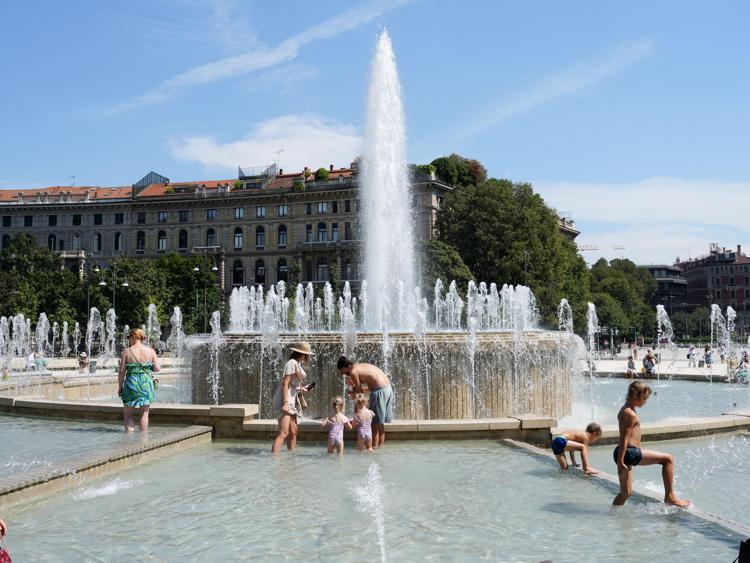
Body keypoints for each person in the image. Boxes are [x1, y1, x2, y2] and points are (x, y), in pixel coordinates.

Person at [612, 381, 691, 507]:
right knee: (668, 459)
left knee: (626, 493)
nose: (645, 402)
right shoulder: (630, 414)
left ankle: (613, 514)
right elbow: (624, 438)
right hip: (629, 452)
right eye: (644, 398)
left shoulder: (625, 409)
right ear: (634, 396)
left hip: (624, 452)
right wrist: (621, 462)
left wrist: (621, 460)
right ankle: (670, 497)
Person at [337, 356, 393, 449]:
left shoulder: (353, 372)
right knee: (380, 423)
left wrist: (359, 411)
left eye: (342, 370)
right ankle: (381, 447)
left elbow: (360, 394)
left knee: (374, 424)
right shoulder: (360, 366)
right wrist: (355, 390)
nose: (342, 373)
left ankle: (374, 449)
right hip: (387, 389)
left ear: (345, 367)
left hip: (379, 391)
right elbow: (370, 389)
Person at [271, 341, 314, 454]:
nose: (308, 357)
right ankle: (274, 460)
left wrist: (303, 388)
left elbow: (292, 385)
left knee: (293, 431)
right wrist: (285, 403)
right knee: (283, 433)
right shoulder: (291, 363)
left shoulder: (296, 363)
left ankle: (291, 457)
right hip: (285, 400)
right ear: (303, 354)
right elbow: (285, 383)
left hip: (291, 398)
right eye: (307, 354)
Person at [117, 327, 160, 432]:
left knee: (128, 415)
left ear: (133, 336)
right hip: (146, 382)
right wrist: (147, 367)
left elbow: (122, 371)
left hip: (131, 382)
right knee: (144, 414)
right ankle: (143, 440)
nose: (128, 340)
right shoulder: (150, 351)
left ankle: (129, 440)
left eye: (129, 337)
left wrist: (120, 387)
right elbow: (157, 368)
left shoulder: (127, 351)